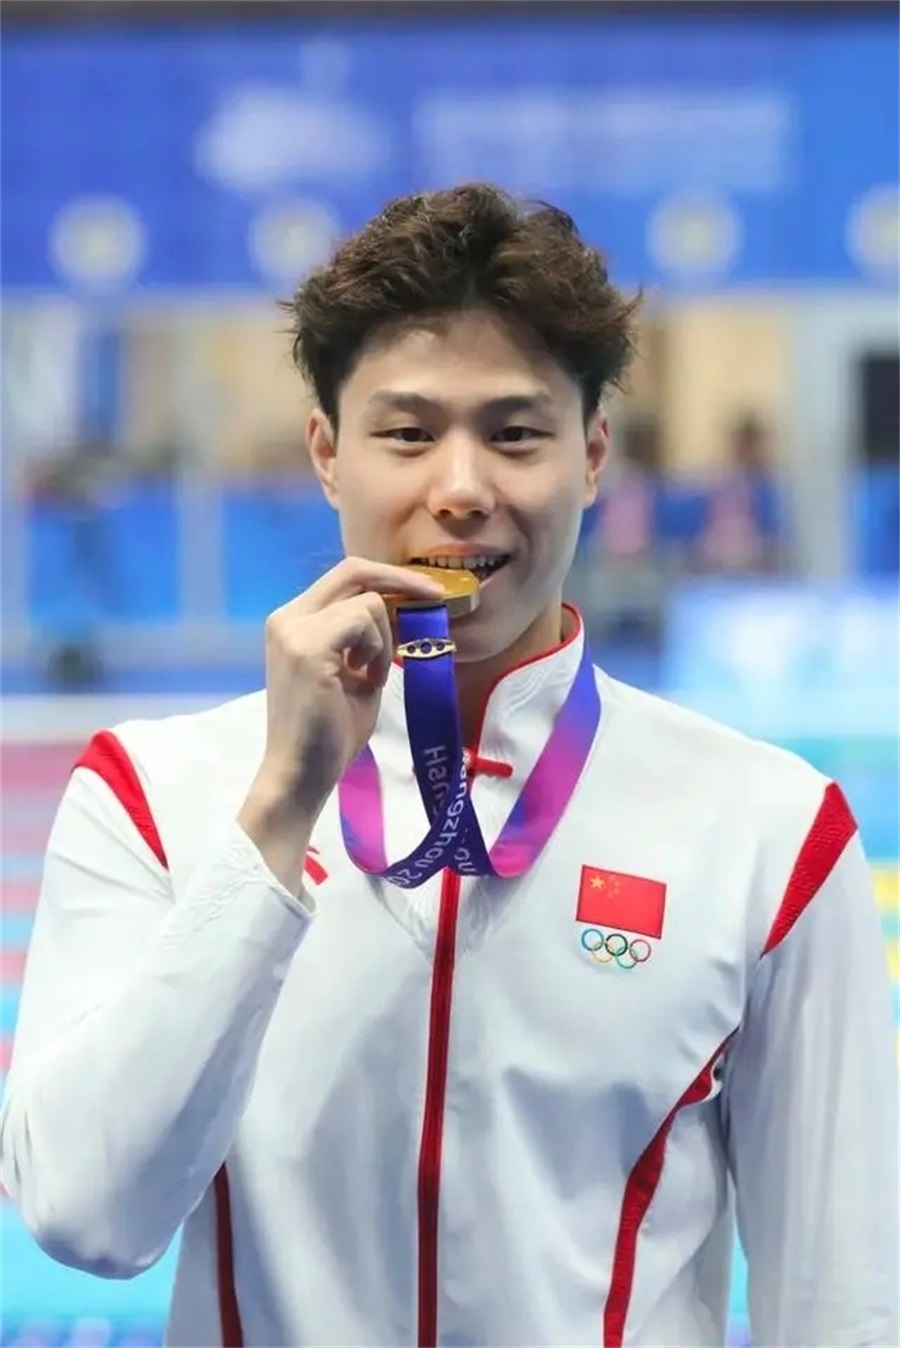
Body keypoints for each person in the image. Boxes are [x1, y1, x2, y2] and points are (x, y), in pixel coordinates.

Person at [1, 185, 896, 1348]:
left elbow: (842, 1301)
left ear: (593, 455)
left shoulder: (769, 832)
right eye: (409, 434)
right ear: (328, 455)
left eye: (516, 433)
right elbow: (87, 1216)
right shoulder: (153, 797)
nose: (462, 488)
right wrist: (275, 818)